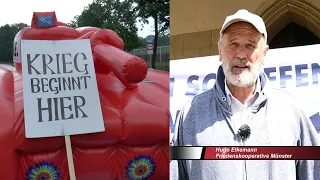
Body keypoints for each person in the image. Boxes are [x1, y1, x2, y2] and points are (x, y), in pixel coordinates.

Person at [170, 9, 320, 180]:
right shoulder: (192, 114)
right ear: (220, 50)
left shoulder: (290, 111)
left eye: (250, 45)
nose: (241, 54)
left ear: (264, 53)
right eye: (233, 44)